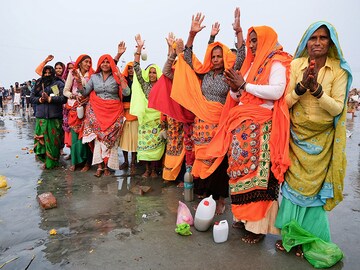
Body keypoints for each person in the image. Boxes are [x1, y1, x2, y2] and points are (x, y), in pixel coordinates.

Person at [208, 15, 292, 243]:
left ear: (265, 39)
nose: (252, 45)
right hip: (242, 128)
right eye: (250, 41)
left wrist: (243, 85)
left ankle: (258, 228)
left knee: (259, 178)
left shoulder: (277, 61)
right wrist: (234, 88)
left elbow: (276, 92)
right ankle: (244, 218)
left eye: (255, 40)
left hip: (262, 128)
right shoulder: (252, 64)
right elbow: (239, 95)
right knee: (239, 175)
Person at [274, 22, 352, 261]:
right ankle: (291, 236)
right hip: (295, 139)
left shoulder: (338, 70)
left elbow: (338, 107)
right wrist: (300, 88)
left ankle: (307, 237)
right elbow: (284, 103)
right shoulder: (296, 65)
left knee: (312, 195)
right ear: (306, 42)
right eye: (313, 38)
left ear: (331, 43)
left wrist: (317, 90)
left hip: (321, 142)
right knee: (291, 191)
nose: (317, 42)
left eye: (323, 38)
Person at [171, 9, 245, 214]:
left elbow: (241, 57)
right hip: (201, 124)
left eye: (219, 56)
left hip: (219, 122)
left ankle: (221, 198)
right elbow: (186, 58)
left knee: (220, 160)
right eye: (213, 56)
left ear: (224, 58)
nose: (216, 59)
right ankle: (208, 194)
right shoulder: (204, 74)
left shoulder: (228, 75)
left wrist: (238, 32)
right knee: (203, 158)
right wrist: (192, 34)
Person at [77, 53, 129, 177]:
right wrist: (79, 83)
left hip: (114, 112)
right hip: (96, 110)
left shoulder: (117, 76)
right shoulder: (94, 77)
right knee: (98, 139)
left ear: (111, 64)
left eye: (107, 62)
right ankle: (100, 166)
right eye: (103, 62)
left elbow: (126, 92)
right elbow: (85, 92)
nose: (105, 64)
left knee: (110, 140)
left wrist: (122, 81)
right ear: (99, 64)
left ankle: (108, 166)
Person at [130, 34, 165, 178]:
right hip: (146, 120)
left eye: (154, 72)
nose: (151, 74)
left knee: (158, 146)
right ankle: (147, 170)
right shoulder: (144, 84)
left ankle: (155, 170)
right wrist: (138, 49)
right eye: (150, 72)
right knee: (144, 147)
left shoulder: (162, 86)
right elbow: (136, 68)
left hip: (158, 120)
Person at [30, 65, 67, 169]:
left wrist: (50, 99)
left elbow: (63, 98)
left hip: (54, 117)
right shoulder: (38, 83)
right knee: (41, 142)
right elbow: (32, 98)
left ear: (53, 73)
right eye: (45, 73)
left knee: (53, 142)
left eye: (49, 73)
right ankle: (46, 161)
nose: (47, 75)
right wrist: (40, 100)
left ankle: (52, 163)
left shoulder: (57, 84)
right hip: (41, 117)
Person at [63, 54, 94, 172]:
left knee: (86, 135)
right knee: (75, 136)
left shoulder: (92, 74)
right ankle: (75, 162)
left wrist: (80, 81)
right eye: (86, 62)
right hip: (74, 107)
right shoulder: (72, 73)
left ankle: (87, 162)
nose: (88, 64)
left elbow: (90, 90)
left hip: (87, 106)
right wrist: (72, 95)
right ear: (80, 62)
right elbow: (65, 90)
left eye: (89, 62)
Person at [114, 42, 138, 174]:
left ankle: (133, 161)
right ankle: (126, 161)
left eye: (132, 68)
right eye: (129, 68)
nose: (130, 70)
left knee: (134, 140)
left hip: (135, 114)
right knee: (124, 140)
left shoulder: (139, 82)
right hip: (124, 112)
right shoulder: (123, 80)